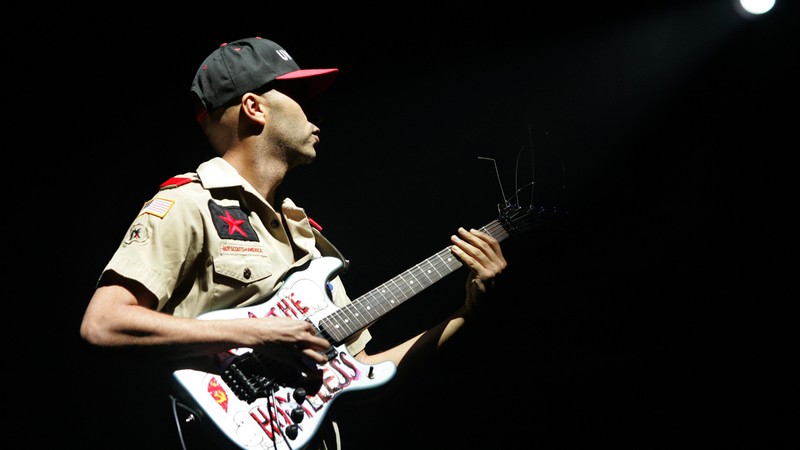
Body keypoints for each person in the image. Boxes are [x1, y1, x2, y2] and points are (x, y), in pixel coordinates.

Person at [79, 36, 507, 450]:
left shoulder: (309, 240)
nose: (316, 116)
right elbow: (104, 324)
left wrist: (467, 314)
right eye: (302, 98)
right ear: (254, 107)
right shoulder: (188, 203)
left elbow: (361, 374)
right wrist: (257, 333)